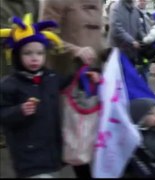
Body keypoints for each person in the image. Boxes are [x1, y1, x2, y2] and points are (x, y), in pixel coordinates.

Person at [0, 15, 100, 178]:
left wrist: (86, 76)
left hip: (52, 155)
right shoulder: (9, 84)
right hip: (28, 157)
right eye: (28, 53)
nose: (34, 58)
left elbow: (70, 82)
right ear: (17, 55)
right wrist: (19, 111)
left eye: (39, 53)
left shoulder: (51, 77)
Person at [40, 0, 105, 177]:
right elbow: (46, 35)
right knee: (69, 136)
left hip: (91, 77)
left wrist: (107, 52)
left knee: (83, 137)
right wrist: (74, 50)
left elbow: (97, 38)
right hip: (66, 77)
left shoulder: (98, 2)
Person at [107, 0, 143, 65]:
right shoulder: (115, 8)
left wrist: (145, 39)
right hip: (118, 52)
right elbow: (116, 29)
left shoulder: (135, 10)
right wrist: (132, 41)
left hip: (131, 52)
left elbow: (139, 28)